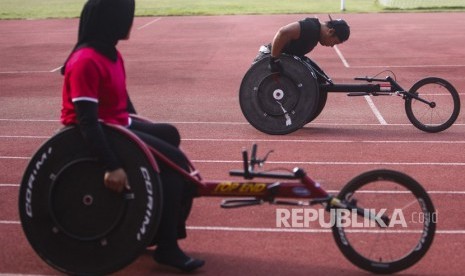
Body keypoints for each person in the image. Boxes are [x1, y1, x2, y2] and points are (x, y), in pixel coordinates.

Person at [60, 0, 204, 272]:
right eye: (128, 17)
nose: (131, 22)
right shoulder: (85, 61)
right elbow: (87, 121)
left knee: (169, 136)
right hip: (99, 131)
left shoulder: (111, 54)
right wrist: (113, 165)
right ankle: (167, 248)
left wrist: (147, 135)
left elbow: (123, 105)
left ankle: (154, 223)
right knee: (175, 170)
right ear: (112, 21)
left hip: (119, 125)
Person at [254, 16, 350, 74]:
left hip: (280, 62)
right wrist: (274, 59)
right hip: (266, 61)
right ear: (330, 31)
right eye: (334, 42)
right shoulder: (310, 28)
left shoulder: (315, 33)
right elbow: (283, 32)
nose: (332, 46)